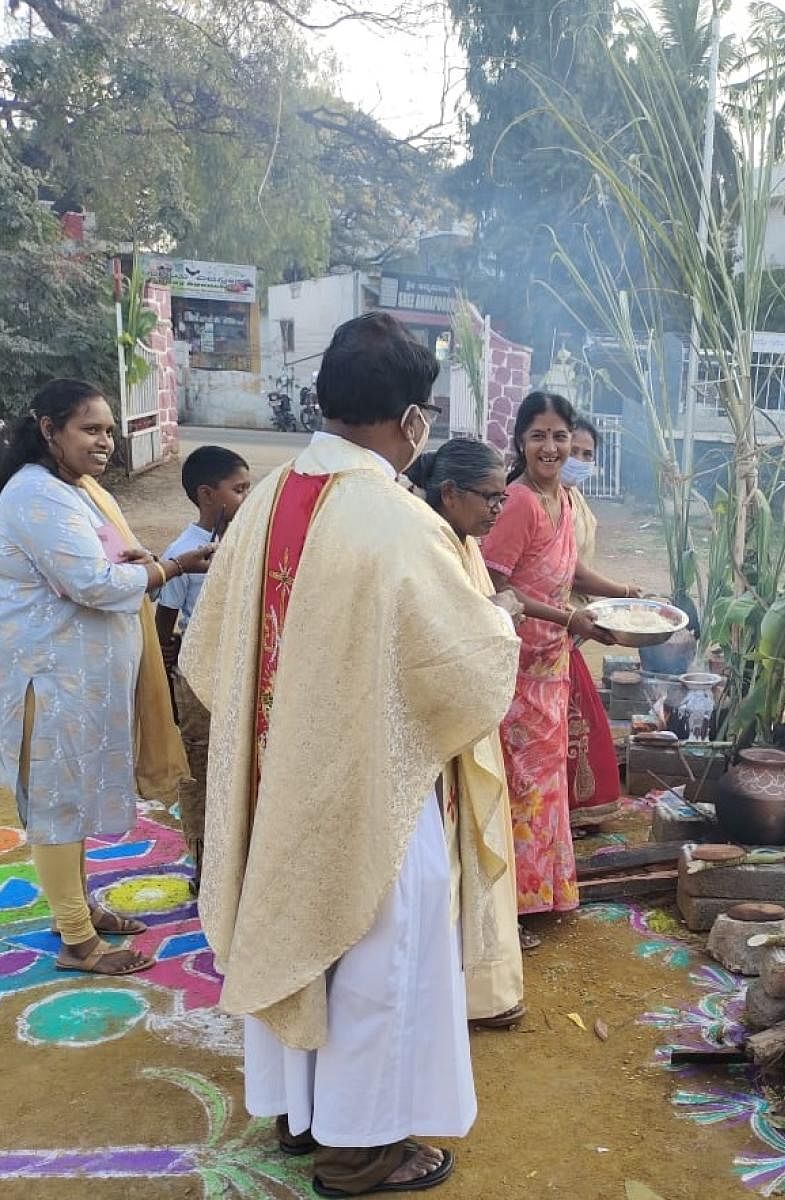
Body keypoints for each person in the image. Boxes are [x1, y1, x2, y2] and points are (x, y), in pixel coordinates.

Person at [179, 311, 519, 1195]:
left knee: (295, 926)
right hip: (372, 784)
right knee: (382, 948)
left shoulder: (264, 499)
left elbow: (211, 650)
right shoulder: (400, 524)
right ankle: (361, 1148)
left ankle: (301, 1114)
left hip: (274, 773)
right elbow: (465, 666)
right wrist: (502, 628)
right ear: (412, 419)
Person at [0, 379, 214, 976]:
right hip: (50, 682)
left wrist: (144, 564)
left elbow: (114, 559)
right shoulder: (33, 497)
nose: (105, 441)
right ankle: (76, 940)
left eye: (109, 430)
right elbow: (92, 582)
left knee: (71, 802)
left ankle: (80, 910)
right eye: (90, 429)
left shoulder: (78, 490)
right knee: (56, 809)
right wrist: (170, 566)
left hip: (81, 683)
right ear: (49, 430)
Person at [480, 392, 641, 947]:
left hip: (553, 663)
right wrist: (571, 616)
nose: (551, 447)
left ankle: (543, 893)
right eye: (538, 436)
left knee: (547, 785)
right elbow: (495, 584)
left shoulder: (566, 500)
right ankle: (510, 910)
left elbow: (569, 569)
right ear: (520, 442)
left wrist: (623, 593)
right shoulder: (519, 501)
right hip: (516, 668)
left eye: (559, 436)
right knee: (519, 785)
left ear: (573, 440)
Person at [405, 440, 526, 1029]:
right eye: (490, 497)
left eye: (504, 496)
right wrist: (499, 612)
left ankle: (477, 981)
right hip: (439, 731)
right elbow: (447, 639)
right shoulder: (429, 544)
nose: (498, 510)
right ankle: (450, 986)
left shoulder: (462, 541)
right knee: (446, 858)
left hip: (468, 722)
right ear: (449, 493)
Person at [155, 445, 252, 896]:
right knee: (201, 769)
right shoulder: (184, 552)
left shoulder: (243, 544)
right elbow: (164, 623)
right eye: (239, 489)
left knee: (236, 765)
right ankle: (205, 865)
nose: (247, 497)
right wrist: (170, 681)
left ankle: (237, 858)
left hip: (235, 676)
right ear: (207, 494)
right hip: (197, 682)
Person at [563, 419, 630, 819]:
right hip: (553, 622)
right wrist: (622, 593)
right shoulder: (539, 500)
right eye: (575, 451)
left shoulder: (574, 498)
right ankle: (574, 808)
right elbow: (570, 570)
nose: (581, 461)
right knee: (580, 724)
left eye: (588, 455)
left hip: (573, 620)